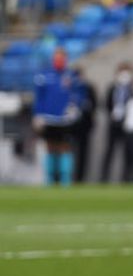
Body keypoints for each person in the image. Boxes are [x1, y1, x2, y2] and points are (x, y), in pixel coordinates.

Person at [32, 47, 80, 186]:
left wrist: (74, 107)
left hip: (64, 119)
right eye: (57, 58)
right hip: (48, 118)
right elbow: (39, 98)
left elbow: (77, 94)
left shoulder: (71, 75)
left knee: (65, 147)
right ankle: (50, 178)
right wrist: (37, 115)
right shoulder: (44, 76)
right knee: (50, 147)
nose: (59, 61)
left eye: (62, 58)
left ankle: (65, 179)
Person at [100, 62, 133, 182]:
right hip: (114, 123)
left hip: (128, 124)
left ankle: (127, 178)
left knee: (128, 153)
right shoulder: (112, 88)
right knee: (109, 151)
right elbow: (106, 104)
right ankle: (104, 178)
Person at [70, 67, 97, 183]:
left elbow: (94, 105)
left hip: (84, 126)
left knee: (83, 154)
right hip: (70, 126)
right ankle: (68, 177)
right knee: (69, 153)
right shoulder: (69, 88)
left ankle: (81, 178)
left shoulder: (88, 88)